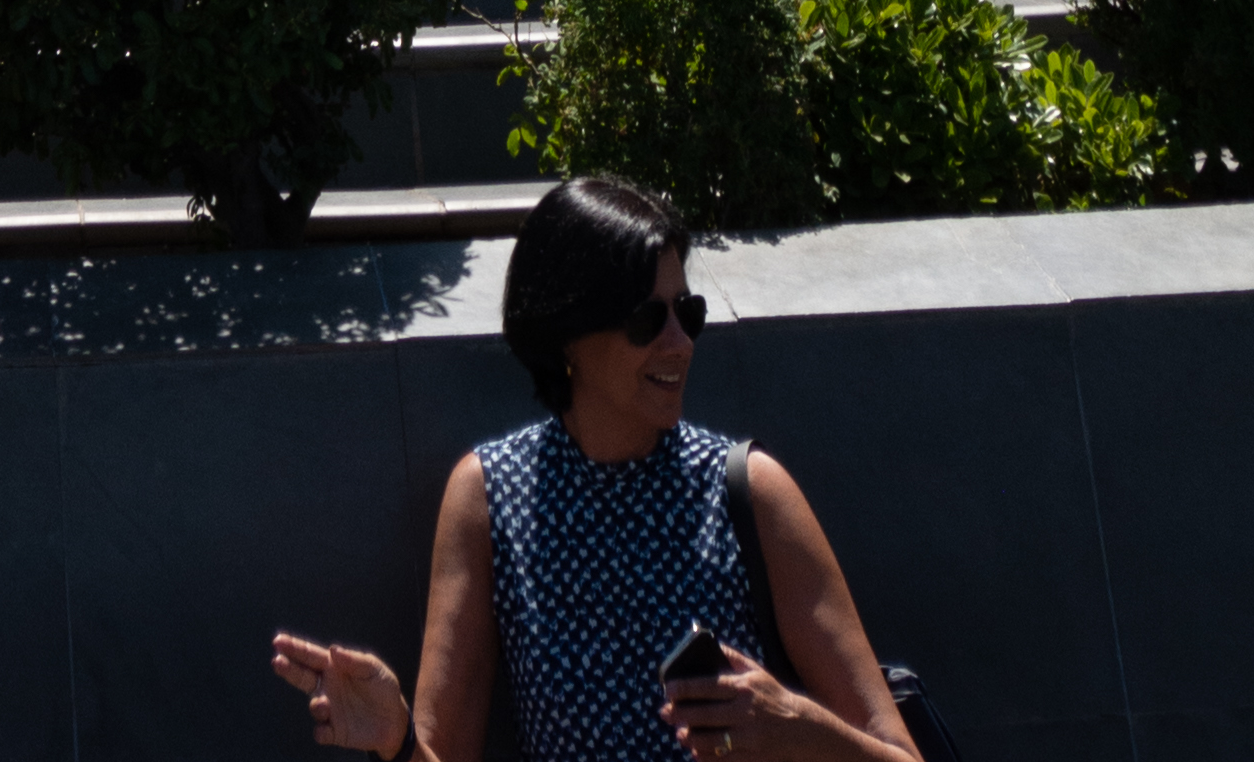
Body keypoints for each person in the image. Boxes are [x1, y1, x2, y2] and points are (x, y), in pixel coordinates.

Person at [273, 168, 912, 756]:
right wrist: (398, 739)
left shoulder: (746, 490)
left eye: (687, 313)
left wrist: (793, 726)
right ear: (568, 334)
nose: (680, 342)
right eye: (647, 319)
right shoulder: (492, 497)